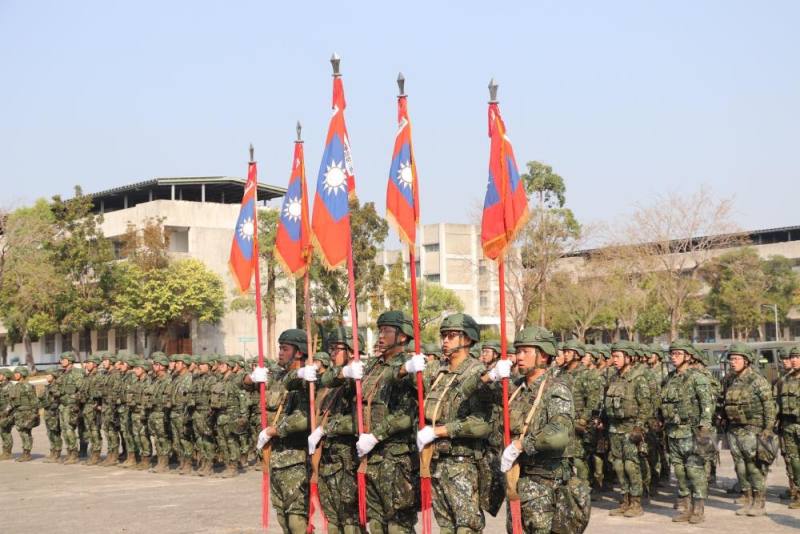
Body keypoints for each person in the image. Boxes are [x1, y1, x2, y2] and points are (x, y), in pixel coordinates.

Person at [412, 313, 490, 534]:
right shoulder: (437, 371)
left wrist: (441, 431)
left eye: (451, 336)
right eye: (443, 336)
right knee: (445, 528)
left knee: (466, 528)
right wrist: (407, 366)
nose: (445, 341)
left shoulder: (476, 372)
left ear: (467, 339)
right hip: (435, 462)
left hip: (462, 463)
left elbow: (482, 424)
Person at [498, 326, 576, 533]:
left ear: (542, 355)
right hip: (516, 480)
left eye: (526, 351)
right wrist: (493, 375)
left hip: (544, 486)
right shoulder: (515, 388)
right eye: (518, 351)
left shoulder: (555, 388)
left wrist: (522, 444)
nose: (519, 357)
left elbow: (559, 434)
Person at [250, 329, 311, 534]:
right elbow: (238, 384)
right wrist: (250, 378)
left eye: (285, 349)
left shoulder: (305, 379)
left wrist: (273, 431)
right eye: (280, 348)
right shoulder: (277, 376)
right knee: (283, 518)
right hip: (274, 458)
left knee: (297, 519)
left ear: (299, 352)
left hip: (296, 459)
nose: (280, 353)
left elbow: (304, 418)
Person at [311, 328, 363, 534]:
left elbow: (361, 419)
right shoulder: (336, 379)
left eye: (337, 349)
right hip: (329, 456)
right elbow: (325, 379)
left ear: (351, 350)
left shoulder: (359, 377)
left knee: (350, 519)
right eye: (330, 349)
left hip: (349, 458)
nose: (332, 353)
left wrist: (325, 429)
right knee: (332, 518)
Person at [721, 342, 777, 517]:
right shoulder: (730, 380)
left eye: (737, 359)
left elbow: (769, 406)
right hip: (735, 430)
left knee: (754, 467)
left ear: (747, 361)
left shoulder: (757, 381)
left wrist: (767, 429)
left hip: (753, 429)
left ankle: (759, 503)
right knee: (740, 467)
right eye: (731, 359)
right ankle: (747, 498)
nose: (732, 362)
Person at [661, 340, 714, 523]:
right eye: (672, 354)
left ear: (688, 356)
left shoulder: (697, 378)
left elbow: (707, 403)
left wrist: (704, 428)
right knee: (680, 473)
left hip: (691, 433)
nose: (673, 357)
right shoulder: (669, 378)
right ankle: (687, 507)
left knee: (694, 471)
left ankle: (698, 509)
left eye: (678, 354)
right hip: (673, 433)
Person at [605, 341, 653, 517]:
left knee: (631, 466)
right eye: (613, 356)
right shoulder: (614, 378)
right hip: (614, 429)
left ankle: (636, 503)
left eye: (617, 356)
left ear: (628, 357)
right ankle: (624, 500)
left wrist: (639, 427)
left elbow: (646, 405)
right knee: (618, 465)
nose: (614, 360)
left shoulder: (638, 379)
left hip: (631, 429)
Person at [776, 346, 800, 508]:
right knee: (793, 462)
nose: (793, 360)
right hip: (788, 425)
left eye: (797, 357)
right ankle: (798, 494)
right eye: (792, 357)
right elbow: (778, 403)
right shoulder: (785, 379)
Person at [147, 353, 173, 473]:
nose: (154, 366)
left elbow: (167, 399)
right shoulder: (156, 380)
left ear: (163, 366)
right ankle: (160, 461)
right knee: (157, 439)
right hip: (154, 413)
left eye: (157, 364)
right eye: (154, 364)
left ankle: (165, 463)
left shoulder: (168, 380)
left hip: (162, 413)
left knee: (163, 439)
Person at [169, 353, 195, 475]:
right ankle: (182, 461)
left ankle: (188, 462)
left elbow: (189, 397)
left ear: (184, 364)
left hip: (182, 412)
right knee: (176, 440)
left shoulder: (189, 378)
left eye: (178, 363)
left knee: (185, 438)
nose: (175, 365)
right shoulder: (176, 377)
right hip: (174, 411)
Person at [58, 351, 85, 465]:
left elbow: (82, 390)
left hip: (72, 406)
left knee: (69, 430)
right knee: (64, 431)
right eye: (61, 359)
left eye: (63, 359)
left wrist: (75, 402)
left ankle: (74, 453)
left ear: (70, 360)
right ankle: (69, 451)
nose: (61, 361)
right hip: (63, 406)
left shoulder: (77, 373)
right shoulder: (62, 374)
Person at [9, 366, 39, 461]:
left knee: (26, 432)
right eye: (15, 373)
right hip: (18, 412)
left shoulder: (28, 386)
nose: (15, 375)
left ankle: (27, 453)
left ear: (23, 374)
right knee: (21, 432)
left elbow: (34, 401)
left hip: (27, 412)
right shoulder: (16, 386)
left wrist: (34, 413)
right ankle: (25, 452)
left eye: (18, 373)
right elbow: (12, 401)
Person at [78, 354, 104, 465]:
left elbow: (101, 393)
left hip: (94, 407)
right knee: (89, 431)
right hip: (86, 407)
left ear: (95, 364)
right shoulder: (87, 377)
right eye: (86, 363)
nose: (86, 365)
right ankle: (93, 453)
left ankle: (96, 455)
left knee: (94, 432)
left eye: (89, 363)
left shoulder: (99, 377)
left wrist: (97, 406)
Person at [129, 359, 153, 470]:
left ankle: (146, 459)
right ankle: (141, 457)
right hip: (134, 412)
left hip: (142, 413)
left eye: (137, 368)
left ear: (144, 370)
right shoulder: (136, 382)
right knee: (136, 437)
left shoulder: (148, 382)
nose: (135, 370)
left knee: (144, 436)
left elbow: (148, 400)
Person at [40, 368, 64, 463]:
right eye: (46, 375)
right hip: (47, 413)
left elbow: (58, 399)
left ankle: (57, 452)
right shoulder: (47, 387)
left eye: (49, 375)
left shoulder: (57, 386)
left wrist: (52, 406)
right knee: (50, 433)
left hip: (54, 412)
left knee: (55, 433)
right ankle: (52, 451)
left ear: (54, 376)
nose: (47, 377)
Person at [0, 368, 14, 460]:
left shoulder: (10, 386)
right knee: (2, 432)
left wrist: (6, 411)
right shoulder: (1, 386)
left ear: (5, 376)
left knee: (6, 432)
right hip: (1, 412)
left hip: (7, 413)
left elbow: (12, 401)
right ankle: (5, 451)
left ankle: (7, 452)